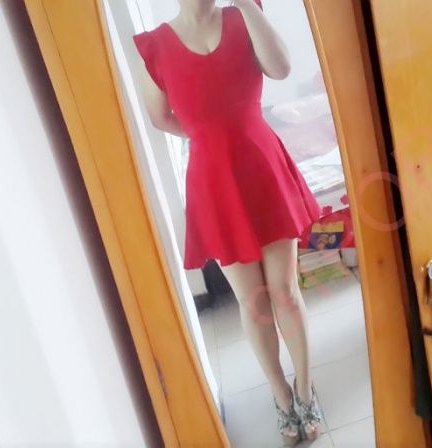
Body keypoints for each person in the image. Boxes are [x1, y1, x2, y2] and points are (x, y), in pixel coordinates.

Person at [132, 0, 322, 444]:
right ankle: (281, 395)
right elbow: (160, 118)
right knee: (253, 302)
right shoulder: (154, 46)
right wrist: (208, 133)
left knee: (284, 291)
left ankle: (305, 388)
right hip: (213, 180)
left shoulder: (243, 16)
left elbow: (281, 68)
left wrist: (248, 5)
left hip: (262, 165)